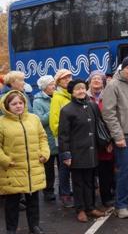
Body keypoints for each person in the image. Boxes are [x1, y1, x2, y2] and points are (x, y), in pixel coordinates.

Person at [0, 90, 50, 234]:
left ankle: (34, 226)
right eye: (14, 103)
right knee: (12, 202)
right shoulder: (2, 122)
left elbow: (43, 138)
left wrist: (45, 153)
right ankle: (11, 229)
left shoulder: (34, 119)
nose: (18, 106)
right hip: (12, 168)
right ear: (6, 106)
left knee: (33, 200)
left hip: (33, 167)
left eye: (21, 102)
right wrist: (5, 160)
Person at [102, 54, 128, 219]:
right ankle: (121, 204)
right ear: (123, 68)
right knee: (124, 171)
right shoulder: (113, 85)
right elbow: (109, 113)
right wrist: (117, 136)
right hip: (123, 136)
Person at [58, 80, 106, 222]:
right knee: (78, 182)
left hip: (91, 151)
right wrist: (66, 154)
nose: (81, 91)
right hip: (76, 152)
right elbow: (63, 135)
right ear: (72, 92)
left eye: (83, 88)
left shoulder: (92, 106)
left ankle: (90, 207)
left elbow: (100, 126)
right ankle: (80, 209)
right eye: (78, 89)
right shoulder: (67, 110)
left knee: (90, 181)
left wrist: (105, 143)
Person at [86, 70, 114, 208]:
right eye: (93, 79)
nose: (96, 81)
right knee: (89, 173)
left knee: (106, 171)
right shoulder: (83, 97)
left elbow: (113, 117)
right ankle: (90, 202)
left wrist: (110, 140)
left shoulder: (109, 96)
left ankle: (106, 197)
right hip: (89, 141)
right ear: (89, 82)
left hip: (105, 139)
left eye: (99, 79)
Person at [49, 69, 74, 208]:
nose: (68, 80)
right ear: (58, 81)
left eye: (69, 77)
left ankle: (69, 191)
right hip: (64, 139)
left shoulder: (71, 94)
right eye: (64, 78)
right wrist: (64, 135)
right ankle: (64, 194)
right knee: (64, 167)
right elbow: (54, 122)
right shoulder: (57, 97)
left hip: (75, 138)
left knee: (73, 166)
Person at [33, 75, 57, 202]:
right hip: (47, 139)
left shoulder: (57, 97)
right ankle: (48, 191)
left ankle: (64, 190)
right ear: (44, 87)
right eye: (51, 84)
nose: (54, 86)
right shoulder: (38, 101)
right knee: (48, 169)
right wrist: (53, 110)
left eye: (54, 84)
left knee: (63, 167)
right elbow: (40, 120)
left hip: (59, 138)